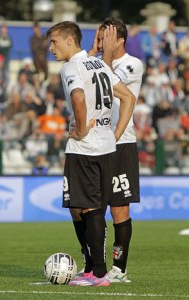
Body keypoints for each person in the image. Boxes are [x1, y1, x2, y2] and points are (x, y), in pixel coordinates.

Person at [46, 21, 136, 286]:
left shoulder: (71, 67)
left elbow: (77, 97)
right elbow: (128, 97)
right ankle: (91, 267)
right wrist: (113, 134)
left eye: (55, 42)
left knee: (89, 207)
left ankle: (97, 273)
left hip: (85, 149)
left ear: (70, 41)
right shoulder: (100, 65)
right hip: (106, 147)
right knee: (80, 207)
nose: (51, 48)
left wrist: (83, 129)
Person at [74, 17, 143, 283]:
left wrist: (106, 55)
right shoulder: (96, 59)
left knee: (118, 210)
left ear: (119, 40)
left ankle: (119, 268)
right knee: (84, 207)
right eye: (100, 39)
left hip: (121, 142)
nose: (101, 44)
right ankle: (91, 264)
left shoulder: (132, 64)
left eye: (106, 39)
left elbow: (109, 84)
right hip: (93, 143)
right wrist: (91, 53)